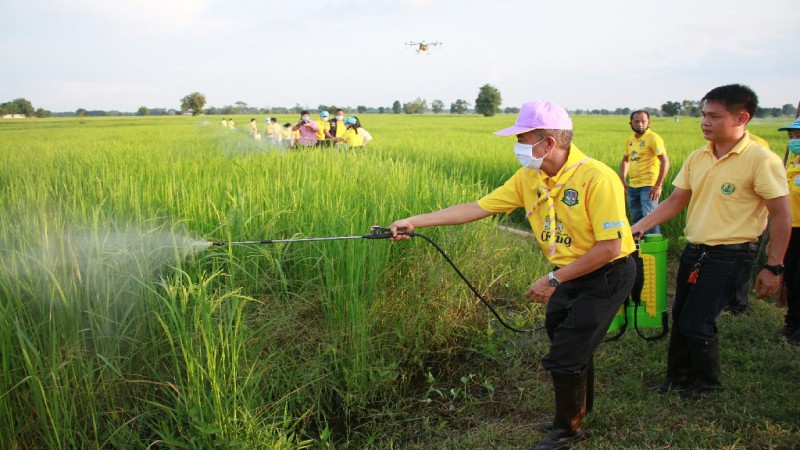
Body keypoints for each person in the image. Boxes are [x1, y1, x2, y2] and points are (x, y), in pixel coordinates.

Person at [389, 100, 636, 450]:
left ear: (549, 143)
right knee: (564, 337)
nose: (518, 147)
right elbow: (477, 208)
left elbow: (609, 248)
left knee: (566, 353)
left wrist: (554, 280)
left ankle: (568, 430)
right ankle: (576, 412)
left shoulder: (597, 177)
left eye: (523, 138)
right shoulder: (529, 177)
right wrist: (415, 221)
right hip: (568, 271)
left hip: (606, 272)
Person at [631, 84, 791, 399]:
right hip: (695, 250)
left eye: (714, 116)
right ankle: (677, 378)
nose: (705, 121)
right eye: (704, 114)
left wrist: (774, 265)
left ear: (741, 117)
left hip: (732, 254)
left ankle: (707, 384)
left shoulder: (762, 160)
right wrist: (639, 226)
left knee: (697, 320)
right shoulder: (698, 156)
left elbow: (781, 215)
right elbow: (676, 200)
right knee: (681, 317)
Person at [619, 110, 670, 235]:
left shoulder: (653, 138)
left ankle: (655, 250)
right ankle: (639, 251)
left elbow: (665, 161)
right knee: (636, 220)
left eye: (643, 121)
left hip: (649, 186)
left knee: (649, 220)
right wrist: (623, 180)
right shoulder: (630, 140)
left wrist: (657, 185)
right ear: (630, 123)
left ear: (649, 123)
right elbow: (625, 160)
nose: (640, 124)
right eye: (636, 121)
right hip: (633, 186)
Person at [778, 117, 800, 344]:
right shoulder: (793, 164)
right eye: (791, 136)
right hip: (792, 228)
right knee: (792, 278)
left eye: (798, 136)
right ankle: (792, 321)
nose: (794, 140)